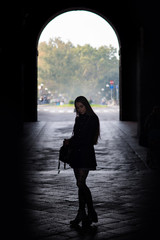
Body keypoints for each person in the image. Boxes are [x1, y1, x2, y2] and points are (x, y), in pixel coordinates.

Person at [64, 96, 100, 228]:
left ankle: (90, 211)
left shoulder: (93, 119)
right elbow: (76, 135)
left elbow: (85, 138)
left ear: (86, 105)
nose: (80, 109)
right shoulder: (78, 118)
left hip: (86, 155)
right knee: (80, 185)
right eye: (77, 107)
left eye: (82, 106)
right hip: (76, 155)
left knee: (80, 183)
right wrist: (70, 141)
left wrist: (71, 141)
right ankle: (82, 213)